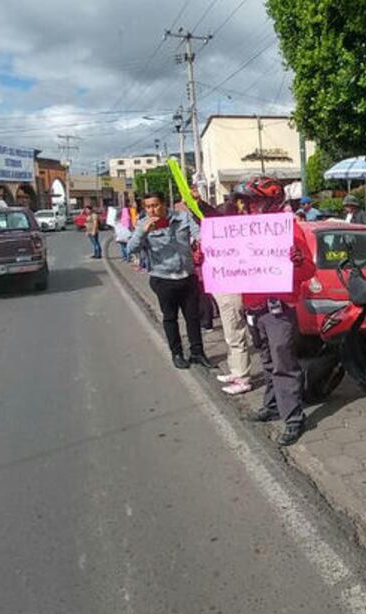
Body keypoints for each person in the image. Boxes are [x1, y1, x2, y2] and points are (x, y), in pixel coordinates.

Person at [239, 177, 316, 447]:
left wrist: (298, 261)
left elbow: (309, 270)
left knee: (284, 362)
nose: (250, 206)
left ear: (272, 202)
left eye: (256, 201)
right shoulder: (242, 230)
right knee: (267, 360)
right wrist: (204, 259)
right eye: (248, 201)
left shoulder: (289, 228)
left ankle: (293, 418)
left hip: (278, 308)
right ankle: (272, 406)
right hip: (253, 306)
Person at [127, 191, 216, 370]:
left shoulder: (182, 217)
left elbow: (199, 234)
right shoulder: (143, 224)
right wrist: (143, 232)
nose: (152, 210)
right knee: (170, 318)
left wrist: (203, 242)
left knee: (193, 317)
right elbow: (131, 248)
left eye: (155, 205)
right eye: (148, 207)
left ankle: (197, 353)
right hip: (163, 279)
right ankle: (177, 353)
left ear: (164, 204)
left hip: (187, 276)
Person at [192, 185, 256, 396]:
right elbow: (207, 219)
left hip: (231, 288)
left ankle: (242, 377)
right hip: (222, 286)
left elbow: (210, 217)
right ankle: (235, 370)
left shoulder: (236, 234)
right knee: (231, 333)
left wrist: (198, 204)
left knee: (235, 333)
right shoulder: (223, 233)